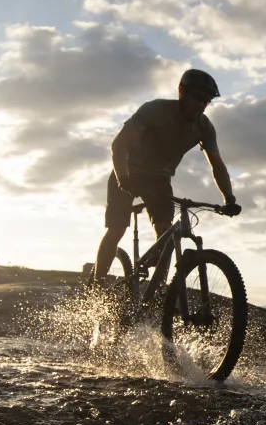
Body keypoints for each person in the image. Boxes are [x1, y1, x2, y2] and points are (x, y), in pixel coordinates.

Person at [91, 68, 241, 284]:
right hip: (127, 172)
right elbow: (119, 144)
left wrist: (229, 198)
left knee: (165, 235)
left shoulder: (204, 127)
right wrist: (123, 178)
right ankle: (96, 287)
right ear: (181, 92)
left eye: (206, 101)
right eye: (197, 98)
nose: (201, 104)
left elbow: (217, 164)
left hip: (159, 179)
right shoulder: (154, 111)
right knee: (116, 229)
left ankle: (157, 294)